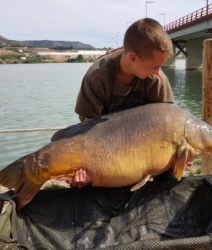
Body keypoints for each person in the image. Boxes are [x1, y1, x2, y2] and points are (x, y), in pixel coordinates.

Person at [71, 18, 175, 187]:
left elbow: (169, 126)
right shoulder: (97, 78)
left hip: (144, 150)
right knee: (81, 179)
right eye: (155, 67)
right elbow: (86, 132)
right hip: (104, 150)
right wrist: (84, 168)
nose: (158, 72)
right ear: (133, 57)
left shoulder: (157, 81)